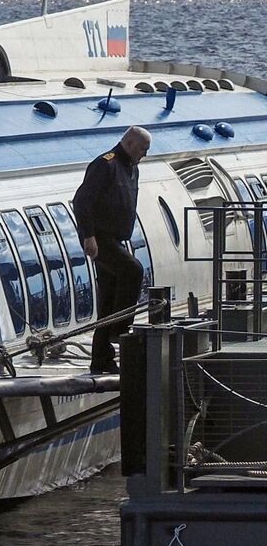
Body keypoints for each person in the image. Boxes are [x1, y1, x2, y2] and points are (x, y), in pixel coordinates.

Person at [72, 125, 151, 374]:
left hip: (116, 238)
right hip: (100, 239)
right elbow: (82, 200)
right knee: (133, 270)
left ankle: (101, 359)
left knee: (107, 300)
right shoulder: (106, 164)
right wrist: (89, 237)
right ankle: (121, 329)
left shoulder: (131, 168)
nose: (144, 155)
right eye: (142, 149)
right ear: (129, 144)